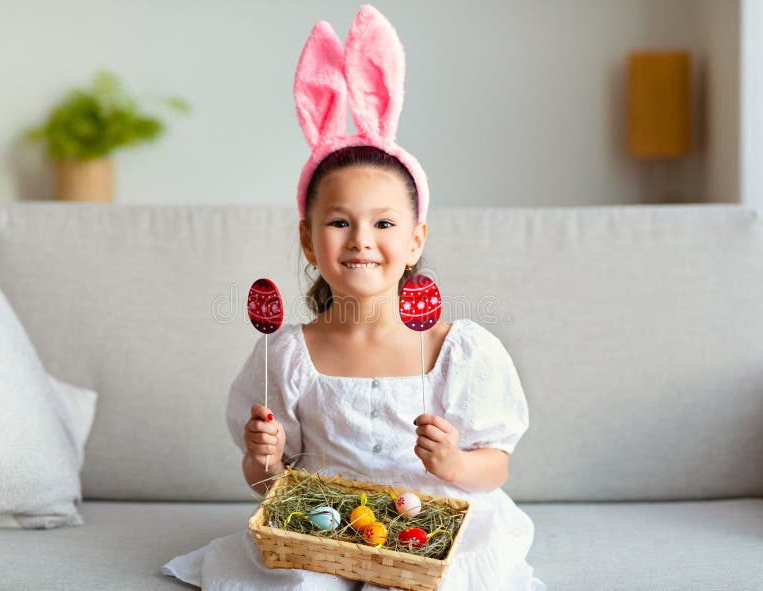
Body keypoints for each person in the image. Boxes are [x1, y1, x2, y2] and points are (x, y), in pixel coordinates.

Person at [162, 6, 545, 590]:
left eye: (385, 224)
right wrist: (262, 461)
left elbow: (497, 464)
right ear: (308, 241)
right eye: (339, 222)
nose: (362, 240)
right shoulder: (287, 356)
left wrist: (455, 463)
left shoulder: (460, 351)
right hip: (326, 533)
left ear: (415, 241)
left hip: (429, 536)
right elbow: (270, 487)